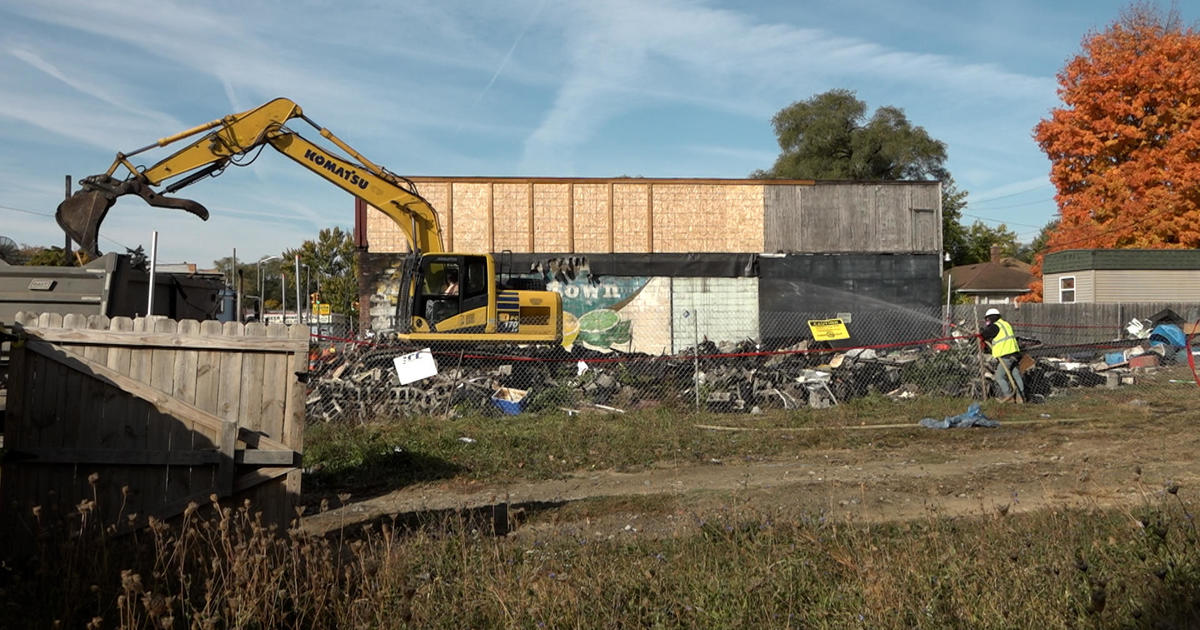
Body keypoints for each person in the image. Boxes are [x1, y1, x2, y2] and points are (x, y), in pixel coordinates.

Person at [981, 307, 1025, 402]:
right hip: (1015, 353)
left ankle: (1009, 397)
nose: (987, 322)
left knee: (999, 377)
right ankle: (1021, 397)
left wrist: (980, 334)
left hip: (1006, 355)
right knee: (1016, 375)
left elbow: (985, 334)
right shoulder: (1006, 324)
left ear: (992, 318)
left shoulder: (995, 326)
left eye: (988, 319)